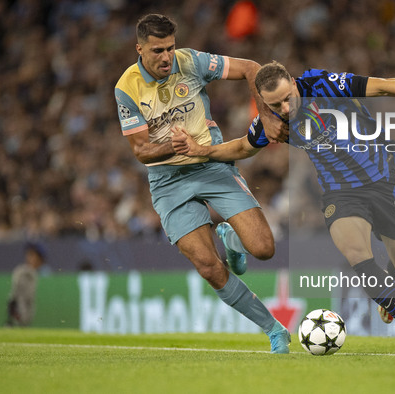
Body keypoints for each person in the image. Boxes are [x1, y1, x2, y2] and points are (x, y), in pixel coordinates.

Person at [171, 61, 395, 354]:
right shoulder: (273, 122)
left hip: (384, 184)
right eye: (275, 105)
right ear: (264, 103)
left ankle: (389, 294)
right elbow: (242, 147)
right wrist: (202, 151)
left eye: (288, 99)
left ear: (293, 82)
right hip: (340, 194)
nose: (285, 109)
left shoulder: (321, 85)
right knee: (358, 255)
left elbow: (381, 86)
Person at [114, 15, 290, 353]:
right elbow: (140, 150)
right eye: (157, 51)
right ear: (139, 49)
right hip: (167, 182)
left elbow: (252, 67)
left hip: (211, 165)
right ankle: (274, 329)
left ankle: (232, 239)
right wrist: (172, 146)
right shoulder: (127, 88)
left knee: (265, 249)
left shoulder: (191, 62)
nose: (166, 57)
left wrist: (266, 115)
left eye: (169, 48)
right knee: (209, 267)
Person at [5, 242, 46, 327]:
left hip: (29, 306)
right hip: (21, 305)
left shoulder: (44, 272)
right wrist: (13, 303)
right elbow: (15, 292)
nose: (30, 258)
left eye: (33, 255)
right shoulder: (21, 272)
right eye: (29, 254)